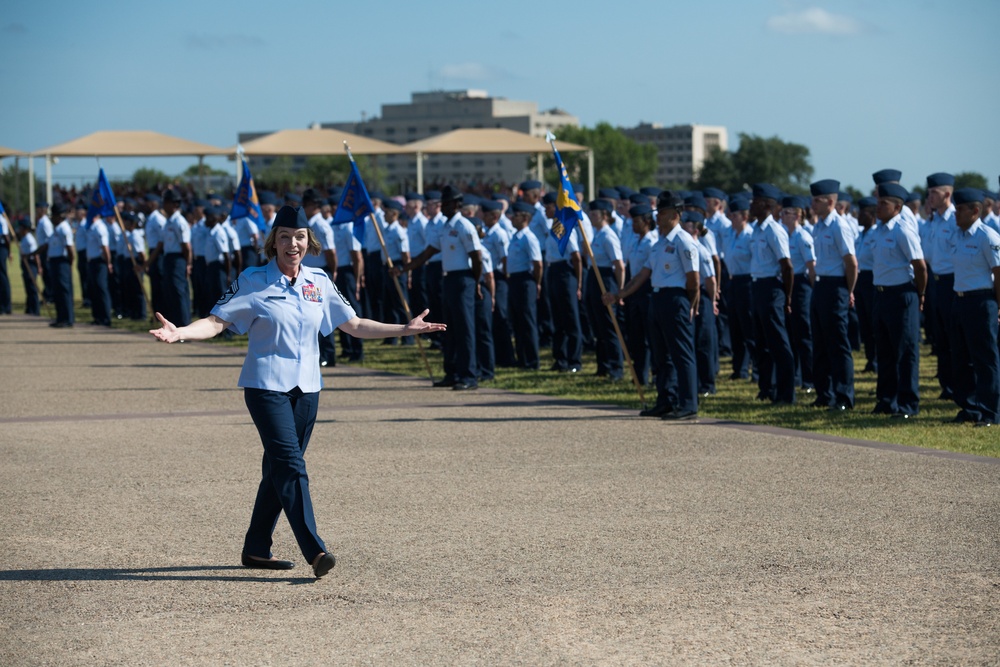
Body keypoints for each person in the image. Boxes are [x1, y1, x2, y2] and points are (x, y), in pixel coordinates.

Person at [149, 205, 445, 577]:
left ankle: (256, 549)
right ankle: (315, 550)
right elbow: (215, 321)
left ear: (309, 241)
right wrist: (181, 333)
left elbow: (353, 324)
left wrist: (404, 329)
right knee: (291, 464)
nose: (293, 244)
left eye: (300, 237)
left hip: (307, 388)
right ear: (273, 243)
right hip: (265, 386)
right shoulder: (254, 279)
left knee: (278, 468)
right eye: (285, 237)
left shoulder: (319, 281)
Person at [606, 190, 700, 421]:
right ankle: (666, 400)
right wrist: (620, 294)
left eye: (663, 213)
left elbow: (694, 280)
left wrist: (691, 304)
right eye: (658, 213)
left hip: (676, 298)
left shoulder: (683, 241)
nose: (657, 218)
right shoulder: (659, 243)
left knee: (682, 354)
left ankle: (688, 403)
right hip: (657, 298)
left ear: (676, 215)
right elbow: (642, 275)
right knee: (661, 355)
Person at [396, 185, 482, 390]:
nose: (442, 206)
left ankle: (469, 375)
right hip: (449, 278)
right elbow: (427, 253)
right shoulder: (445, 226)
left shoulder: (464, 226)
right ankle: (451, 372)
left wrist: (475, 283)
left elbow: (477, 258)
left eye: (446, 203)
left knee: (464, 329)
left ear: (456, 204)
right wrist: (403, 269)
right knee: (449, 328)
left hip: (463, 279)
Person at [870, 184, 926, 419]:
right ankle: (886, 400)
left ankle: (907, 403)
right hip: (882, 294)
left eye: (884, 203)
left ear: (898, 207)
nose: (878, 207)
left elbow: (919, 266)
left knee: (905, 352)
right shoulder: (879, 231)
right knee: (885, 350)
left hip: (902, 294)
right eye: (879, 202)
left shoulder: (903, 230)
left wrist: (920, 294)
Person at [948, 188, 1000, 427]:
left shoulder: (987, 236)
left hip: (981, 301)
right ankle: (970, 407)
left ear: (975, 211)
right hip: (960, 300)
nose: (955, 213)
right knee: (961, 358)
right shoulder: (957, 235)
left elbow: (998, 274)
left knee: (985, 359)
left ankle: (990, 411)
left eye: (959, 209)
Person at [809, 179, 858, 411]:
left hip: (836, 286)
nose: (812, 204)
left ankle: (844, 396)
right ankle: (824, 393)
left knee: (838, 345)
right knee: (820, 344)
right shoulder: (818, 226)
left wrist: (848, 291)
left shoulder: (839, 226)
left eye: (817, 200)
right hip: (820, 286)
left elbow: (851, 263)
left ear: (830, 202)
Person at [749, 183, 796, 404]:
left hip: (771, 288)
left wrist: (786, 296)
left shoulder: (774, 230)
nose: (751, 205)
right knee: (762, 343)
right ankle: (766, 388)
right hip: (758, 286)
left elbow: (787, 266)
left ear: (767, 205)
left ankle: (786, 393)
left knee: (778, 343)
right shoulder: (757, 229)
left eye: (756, 202)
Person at [780, 196, 816, 393]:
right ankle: (795, 376)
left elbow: (811, 267)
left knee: (804, 334)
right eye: (782, 213)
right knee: (792, 332)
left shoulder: (803, 237)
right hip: (789, 284)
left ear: (797, 215)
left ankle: (809, 379)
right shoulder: (786, 235)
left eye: (786, 213)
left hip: (802, 284)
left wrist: (812, 290)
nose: (782, 216)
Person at [588, 200, 626, 381]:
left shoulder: (608, 236)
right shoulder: (597, 234)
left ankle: (616, 368)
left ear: (604, 215)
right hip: (594, 278)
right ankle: (602, 365)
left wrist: (619, 291)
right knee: (599, 326)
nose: (590, 217)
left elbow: (619, 265)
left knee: (610, 327)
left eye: (594, 214)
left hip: (605, 279)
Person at [505, 201, 543, 370]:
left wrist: (537, 282)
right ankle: (522, 358)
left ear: (525, 218)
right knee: (518, 321)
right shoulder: (516, 236)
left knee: (527, 321)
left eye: (516, 215)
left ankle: (532, 361)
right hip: (514, 280)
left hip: (526, 280)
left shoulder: (529, 237)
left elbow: (537, 264)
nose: (512, 218)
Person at [721, 196, 755, 381]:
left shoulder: (750, 236)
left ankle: (756, 369)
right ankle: (739, 369)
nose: (730, 218)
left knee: (749, 327)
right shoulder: (728, 234)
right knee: (735, 327)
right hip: (733, 281)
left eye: (733, 215)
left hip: (747, 281)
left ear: (743, 216)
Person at [46, 202, 76, 327]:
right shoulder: (57, 228)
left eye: (53, 216)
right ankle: (60, 318)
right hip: (55, 262)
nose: (52, 218)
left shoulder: (64, 228)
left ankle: (67, 319)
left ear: (59, 216)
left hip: (62, 262)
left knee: (64, 290)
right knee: (57, 290)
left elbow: (69, 248)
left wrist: (69, 262)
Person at [16, 220, 42, 315]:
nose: (19, 230)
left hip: (30, 264)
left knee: (32, 288)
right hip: (25, 264)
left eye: (21, 228)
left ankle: (35, 310)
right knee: (28, 288)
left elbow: (35, 255)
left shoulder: (29, 239)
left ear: (25, 229)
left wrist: (39, 267)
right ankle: (29, 309)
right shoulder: (24, 238)